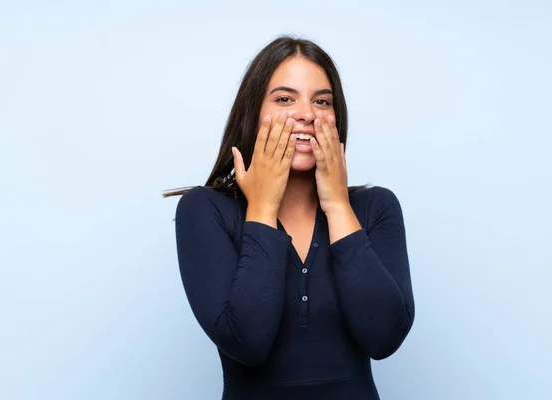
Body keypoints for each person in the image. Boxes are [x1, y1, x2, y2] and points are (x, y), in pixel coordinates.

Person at [165, 35, 415, 399]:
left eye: (322, 101)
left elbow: (385, 337)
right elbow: (247, 341)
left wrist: (338, 206)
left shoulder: (376, 207)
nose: (307, 113)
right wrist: (263, 208)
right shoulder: (205, 210)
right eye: (285, 98)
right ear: (253, 113)